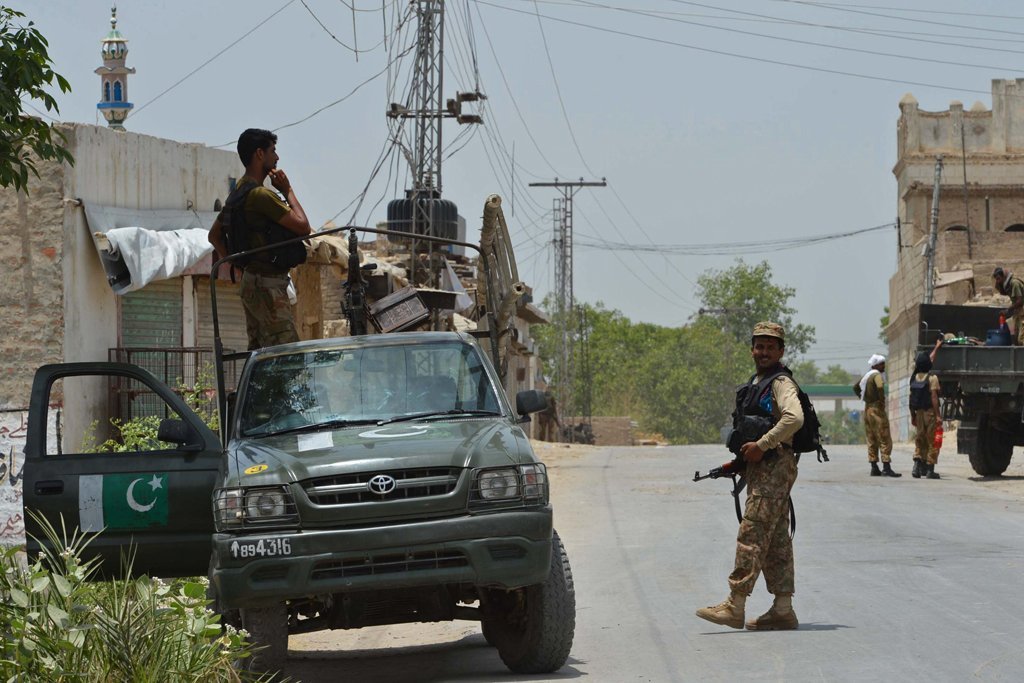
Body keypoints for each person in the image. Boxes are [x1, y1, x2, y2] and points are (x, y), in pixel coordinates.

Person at [696, 321, 803, 631]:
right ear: (752, 349)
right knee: (777, 539)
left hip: (774, 468)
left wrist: (762, 444)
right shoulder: (757, 383)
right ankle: (783, 608)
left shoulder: (780, 383)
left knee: (752, 534)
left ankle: (735, 604)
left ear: (781, 351)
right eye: (759, 346)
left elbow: (794, 418)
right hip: (764, 468)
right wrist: (741, 462)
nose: (764, 351)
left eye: (771, 346)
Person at [209, 128, 312, 350]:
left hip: (253, 282)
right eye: (272, 151)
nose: (277, 157)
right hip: (267, 284)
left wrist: (239, 266)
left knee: (260, 352)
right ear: (259, 154)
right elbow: (304, 227)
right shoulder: (259, 195)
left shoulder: (238, 191)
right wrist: (288, 190)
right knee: (287, 353)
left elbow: (214, 235)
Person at [855, 354, 900, 477]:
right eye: (881, 364)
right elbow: (880, 386)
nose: (884, 366)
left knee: (871, 438)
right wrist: (881, 400)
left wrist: (863, 397)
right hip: (877, 409)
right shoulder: (876, 376)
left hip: (868, 409)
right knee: (884, 436)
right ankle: (886, 467)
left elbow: (855, 387)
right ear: (875, 365)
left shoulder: (867, 376)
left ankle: (874, 467)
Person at [910, 338, 943, 479]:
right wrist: (938, 415)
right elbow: (934, 398)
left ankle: (917, 467)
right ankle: (930, 469)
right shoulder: (932, 378)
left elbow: (911, 399)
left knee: (920, 439)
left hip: (918, 413)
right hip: (930, 413)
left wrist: (913, 415)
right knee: (932, 441)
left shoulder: (914, 378)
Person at [993, 267, 1024, 345]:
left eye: (999, 278)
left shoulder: (1015, 283)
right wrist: (998, 283)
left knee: (1021, 339)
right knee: (1016, 338)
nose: (997, 281)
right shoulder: (1008, 285)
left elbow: (1020, 301)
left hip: (1022, 311)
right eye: (996, 279)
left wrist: (1008, 310)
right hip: (1018, 313)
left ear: (1003, 276)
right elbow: (1003, 292)